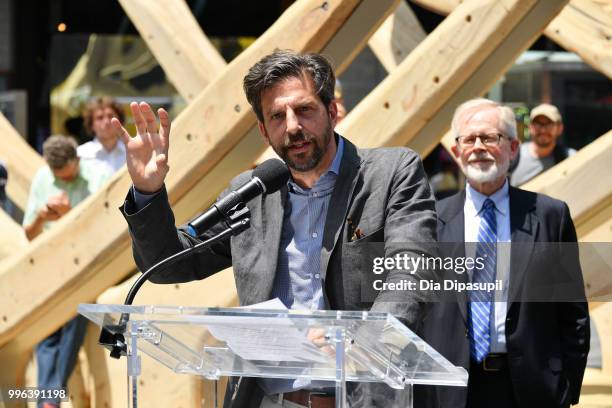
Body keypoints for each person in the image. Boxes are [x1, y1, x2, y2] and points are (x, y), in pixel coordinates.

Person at [115, 50, 437, 408]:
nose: (293, 126)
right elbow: (169, 263)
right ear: (264, 131)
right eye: (277, 117)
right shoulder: (252, 190)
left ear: (331, 112)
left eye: (304, 110)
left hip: (363, 398)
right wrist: (148, 191)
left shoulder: (390, 173)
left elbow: (413, 269)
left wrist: (361, 340)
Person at [416, 99, 589, 408]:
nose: (478, 147)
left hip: (530, 389)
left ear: (513, 148)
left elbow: (573, 312)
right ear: (456, 152)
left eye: (490, 137)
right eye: (469, 139)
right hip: (451, 391)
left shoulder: (550, 215)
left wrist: (566, 388)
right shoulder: (430, 220)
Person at [23, 135, 111, 408]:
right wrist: (42, 216)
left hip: (85, 266)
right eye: (57, 175)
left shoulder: (99, 174)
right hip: (50, 266)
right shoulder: (42, 177)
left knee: (72, 328)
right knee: (46, 334)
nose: (63, 179)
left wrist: (68, 214)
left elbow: (103, 228)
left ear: (77, 160)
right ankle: (48, 400)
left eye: (67, 174)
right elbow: (29, 232)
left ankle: (49, 399)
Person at [510, 103, 575, 186]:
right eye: (538, 124)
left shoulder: (570, 158)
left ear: (559, 128)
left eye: (549, 124)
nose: (543, 130)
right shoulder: (514, 156)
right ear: (530, 127)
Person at [78, 96, 126, 174]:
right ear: (91, 125)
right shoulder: (81, 154)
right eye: (100, 118)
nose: (106, 122)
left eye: (110, 116)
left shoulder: (132, 153)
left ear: (120, 120)